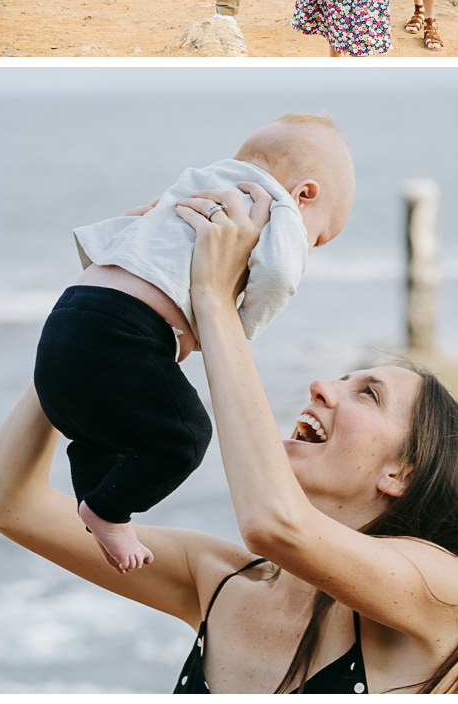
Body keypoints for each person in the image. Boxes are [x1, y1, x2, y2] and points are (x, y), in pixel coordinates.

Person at [0, 182, 458, 694]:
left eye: (369, 394)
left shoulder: (447, 596)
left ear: (400, 473)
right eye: (343, 378)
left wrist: (213, 296)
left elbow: (272, 524)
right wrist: (106, 304)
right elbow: (8, 502)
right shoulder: (217, 580)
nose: (323, 386)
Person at [32, 114, 355, 577]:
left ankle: (96, 508)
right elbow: (280, 275)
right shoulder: (278, 205)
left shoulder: (197, 182)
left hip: (69, 316)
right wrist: (233, 327)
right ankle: (106, 511)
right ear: (306, 194)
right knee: (185, 436)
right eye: (319, 237)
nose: (310, 246)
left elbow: (122, 228)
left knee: (95, 432)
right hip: (123, 332)